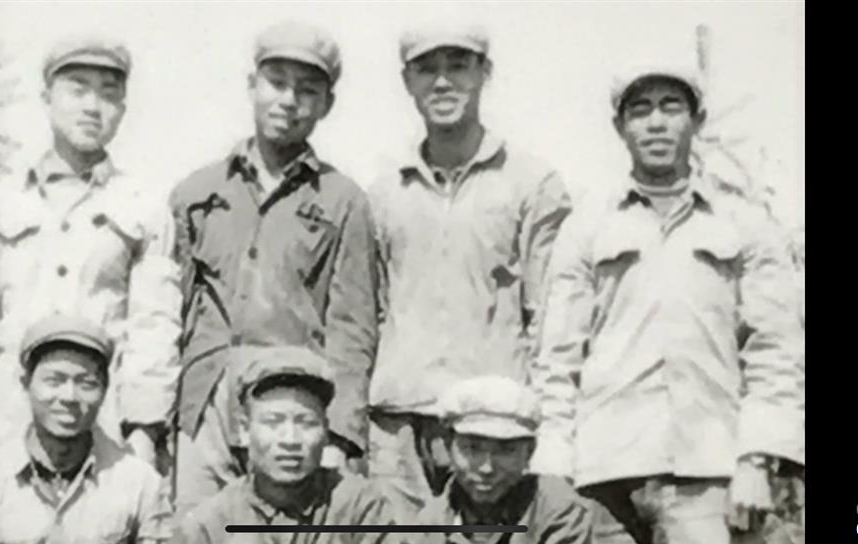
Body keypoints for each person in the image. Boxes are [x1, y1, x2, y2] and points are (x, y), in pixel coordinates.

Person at [535, 65, 805, 544]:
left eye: (671, 107)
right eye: (640, 110)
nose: (656, 123)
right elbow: (558, 357)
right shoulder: (588, 226)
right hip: (603, 474)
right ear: (620, 127)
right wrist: (553, 466)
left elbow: (776, 353)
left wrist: (756, 458)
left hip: (706, 472)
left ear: (697, 120)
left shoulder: (743, 223)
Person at [167, 22, 379, 514]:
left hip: (291, 409)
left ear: (326, 104)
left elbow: (353, 328)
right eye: (276, 83)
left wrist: (340, 435)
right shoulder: (196, 193)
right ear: (252, 86)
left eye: (307, 91)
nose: (288, 100)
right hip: (206, 407)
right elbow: (171, 315)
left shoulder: (344, 201)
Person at [0, 33, 182, 476]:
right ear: (48, 98)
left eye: (108, 94)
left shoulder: (143, 207)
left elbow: (154, 326)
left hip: (102, 427)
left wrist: (143, 431)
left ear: (123, 109)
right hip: (7, 422)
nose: (93, 107)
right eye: (77, 90)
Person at [365, 23, 573, 517]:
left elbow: (550, 320)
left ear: (485, 73)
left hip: (492, 426)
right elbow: (371, 310)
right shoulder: (384, 191)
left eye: (458, 66)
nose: (442, 82)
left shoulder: (532, 184)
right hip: (399, 425)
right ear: (407, 81)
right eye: (427, 69)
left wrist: (548, 430)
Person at [0, 314, 172, 543]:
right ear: (25, 383)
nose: (69, 397)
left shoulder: (141, 486)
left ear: (104, 391)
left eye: (86, 383)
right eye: (54, 381)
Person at [173, 346, 394, 543]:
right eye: (273, 422)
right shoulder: (210, 528)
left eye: (306, 422)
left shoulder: (361, 509)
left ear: (326, 431)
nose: (290, 439)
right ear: (244, 430)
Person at [411, 375, 593, 544]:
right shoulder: (430, 523)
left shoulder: (557, 509)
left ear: (529, 452)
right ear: (449, 446)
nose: (487, 468)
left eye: (506, 450)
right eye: (473, 449)